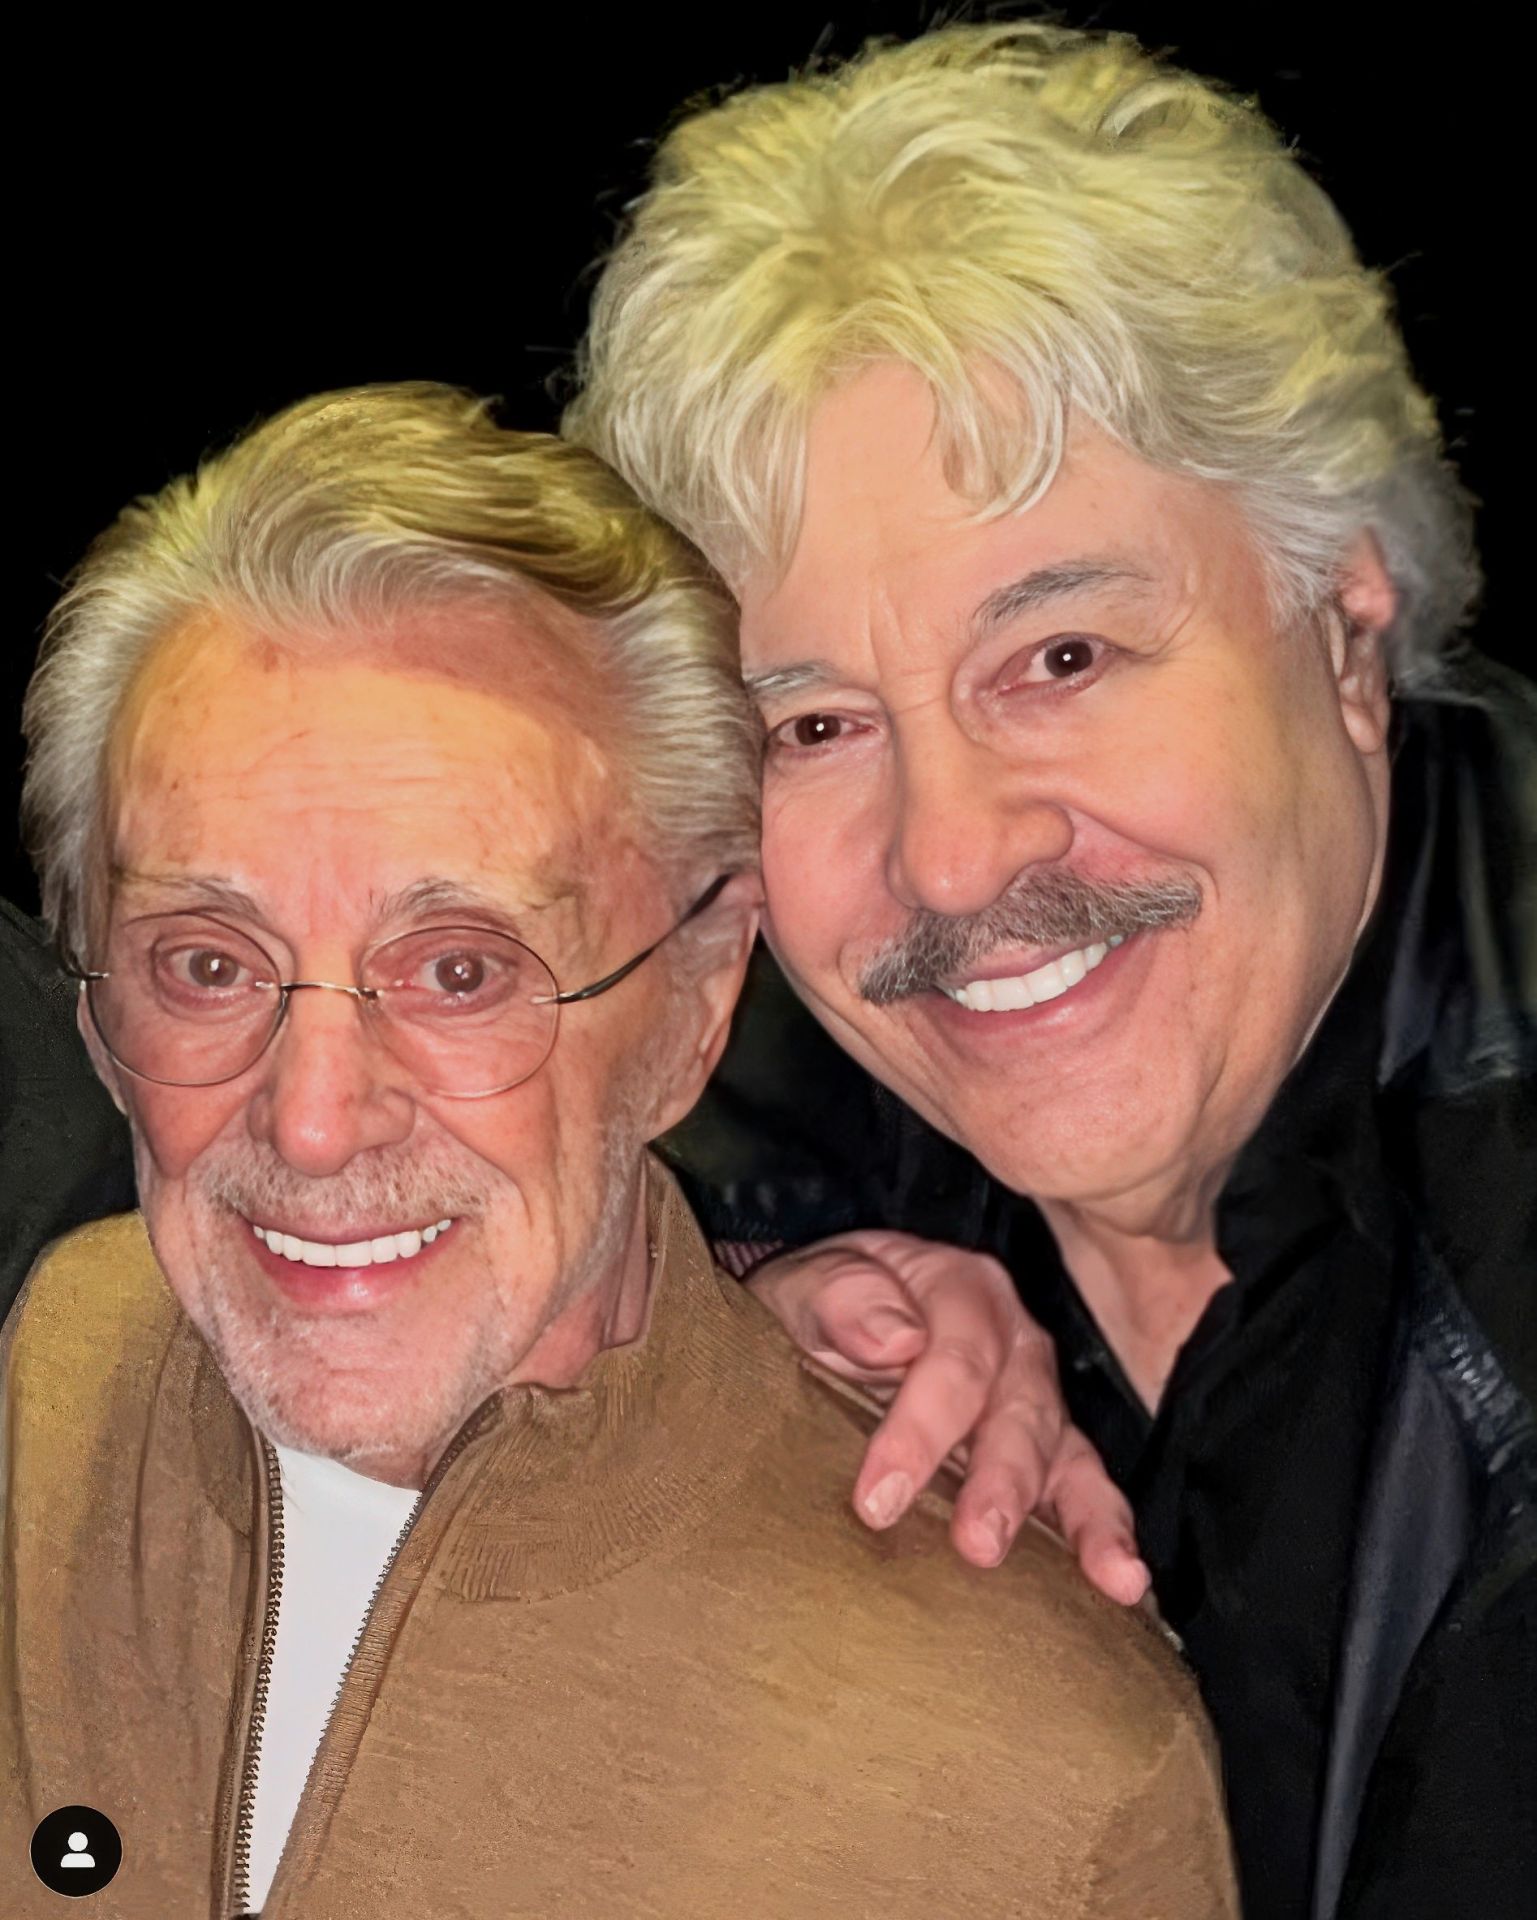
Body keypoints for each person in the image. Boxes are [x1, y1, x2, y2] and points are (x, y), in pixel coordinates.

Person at [0, 384, 1237, 1919]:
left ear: (696, 996)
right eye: (204, 965)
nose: (312, 1120)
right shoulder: (51, 1371)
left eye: (462, 970)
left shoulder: (1037, 1783)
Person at [564, 20, 1536, 1920]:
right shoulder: (698, 1148)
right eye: (813, 728)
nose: (948, 852)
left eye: (1062, 660)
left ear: (1347, 627)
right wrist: (680, 1389)